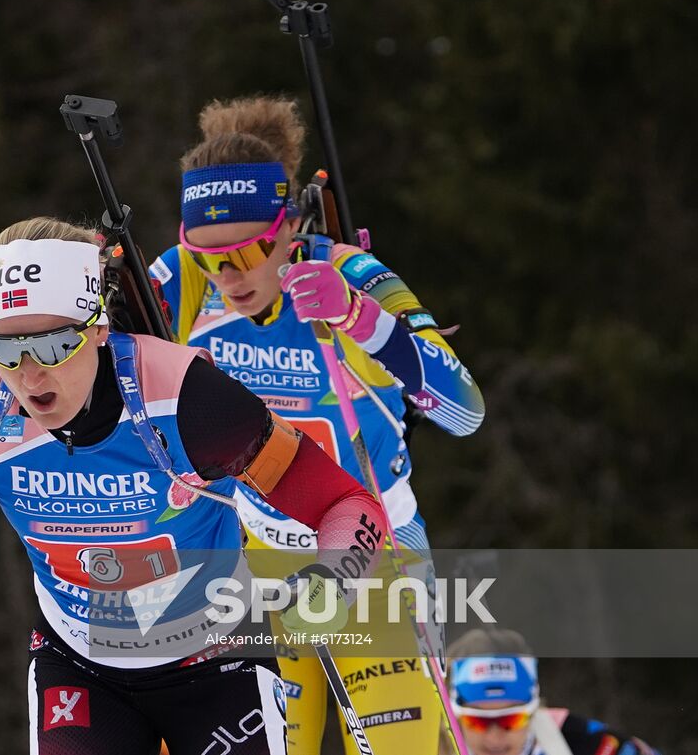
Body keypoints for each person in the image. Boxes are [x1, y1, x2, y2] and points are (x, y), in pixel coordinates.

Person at [0, 217, 390, 754]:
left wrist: (335, 581)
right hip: (79, 665)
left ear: (98, 328)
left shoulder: (188, 401)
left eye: (52, 347)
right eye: (7, 349)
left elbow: (348, 505)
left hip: (217, 659)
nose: (29, 377)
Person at [151, 95, 487, 754]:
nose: (229, 276)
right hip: (248, 562)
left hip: (372, 555)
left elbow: (464, 410)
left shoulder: (349, 274)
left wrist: (365, 320)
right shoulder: (186, 277)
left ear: (288, 226)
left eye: (249, 253)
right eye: (209, 257)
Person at [447, 628, 660, 755]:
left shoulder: (580, 741)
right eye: (478, 721)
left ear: (531, 710)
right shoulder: (425, 741)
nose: (494, 738)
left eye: (511, 720)